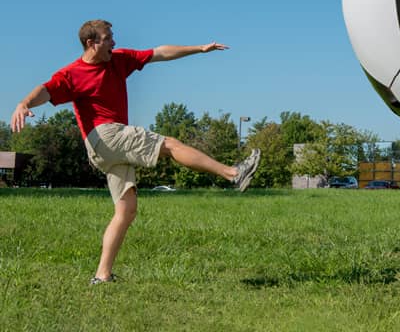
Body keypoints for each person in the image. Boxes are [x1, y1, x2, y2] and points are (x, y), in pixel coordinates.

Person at [10, 19, 260, 285]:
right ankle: (234, 173)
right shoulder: (72, 73)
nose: (114, 42)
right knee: (171, 145)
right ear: (91, 43)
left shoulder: (118, 60)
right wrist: (24, 103)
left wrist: (199, 48)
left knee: (126, 211)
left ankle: (101, 275)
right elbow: (46, 90)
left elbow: (159, 53)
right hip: (106, 135)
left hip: (103, 150)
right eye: (108, 38)